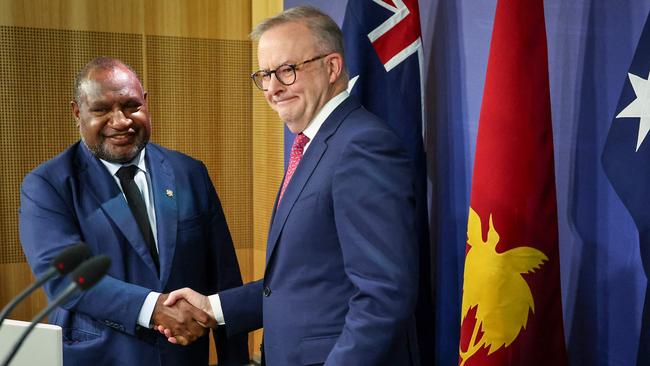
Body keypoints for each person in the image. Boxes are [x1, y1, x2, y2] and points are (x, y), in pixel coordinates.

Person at [161, 6, 420, 365]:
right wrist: (214, 307)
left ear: (332, 67)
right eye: (265, 74)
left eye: (287, 71)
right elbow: (302, 281)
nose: (272, 89)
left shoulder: (363, 146)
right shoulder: (314, 144)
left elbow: (384, 294)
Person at [19, 57, 249, 365]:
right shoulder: (49, 185)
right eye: (101, 110)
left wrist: (235, 361)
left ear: (146, 102)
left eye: (131, 105)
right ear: (77, 112)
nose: (121, 121)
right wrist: (153, 308)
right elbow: (65, 279)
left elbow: (223, 278)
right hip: (101, 358)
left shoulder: (189, 173)